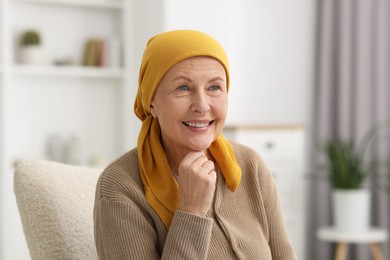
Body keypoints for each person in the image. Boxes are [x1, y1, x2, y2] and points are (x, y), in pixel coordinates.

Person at [94, 30, 297, 260]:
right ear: (151, 102)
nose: (202, 105)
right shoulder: (121, 186)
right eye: (183, 88)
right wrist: (191, 211)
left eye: (214, 88)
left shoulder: (251, 165)